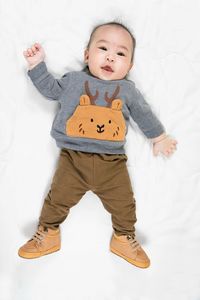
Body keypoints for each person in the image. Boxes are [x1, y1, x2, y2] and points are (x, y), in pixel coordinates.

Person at [18, 21, 177, 268]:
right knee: (57, 199)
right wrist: (37, 65)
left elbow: (143, 115)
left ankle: (123, 237)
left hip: (112, 164)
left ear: (130, 65)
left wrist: (159, 138)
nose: (111, 57)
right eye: (103, 49)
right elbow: (50, 90)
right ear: (87, 55)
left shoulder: (127, 90)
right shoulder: (73, 81)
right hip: (73, 159)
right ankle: (48, 233)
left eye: (121, 53)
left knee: (125, 203)